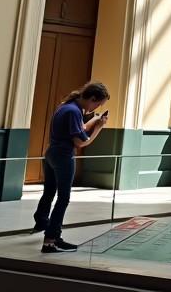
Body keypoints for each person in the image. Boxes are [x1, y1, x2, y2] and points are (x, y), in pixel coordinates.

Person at [32, 80, 110, 253]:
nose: (96, 108)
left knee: (50, 191)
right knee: (63, 198)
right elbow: (80, 142)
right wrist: (99, 128)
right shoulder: (74, 111)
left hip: (51, 154)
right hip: (63, 157)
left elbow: (80, 128)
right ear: (91, 98)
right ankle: (51, 241)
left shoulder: (67, 106)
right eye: (98, 103)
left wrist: (95, 120)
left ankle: (42, 223)